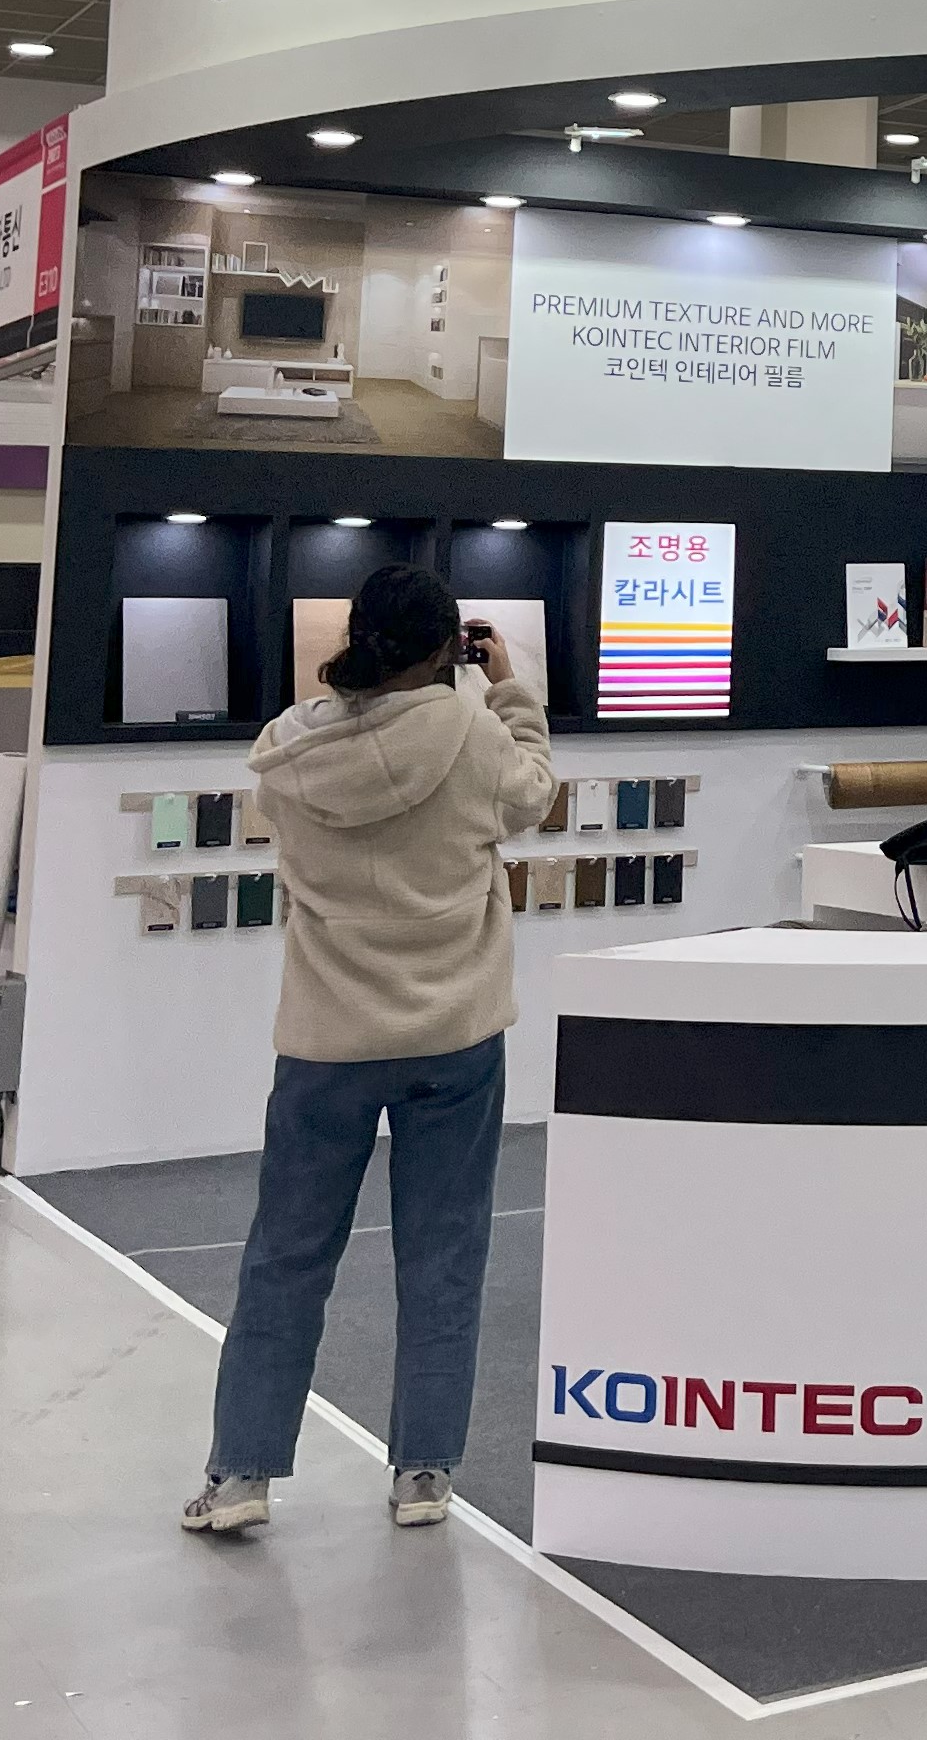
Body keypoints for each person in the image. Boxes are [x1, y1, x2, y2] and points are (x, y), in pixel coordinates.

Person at [182, 564, 560, 1537]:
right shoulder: (472, 735)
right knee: (445, 1255)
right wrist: (510, 688)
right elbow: (534, 795)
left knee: (285, 1257)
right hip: (455, 1035)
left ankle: (241, 1474)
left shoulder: (292, 750)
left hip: (327, 1040)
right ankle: (423, 1473)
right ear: (445, 650)